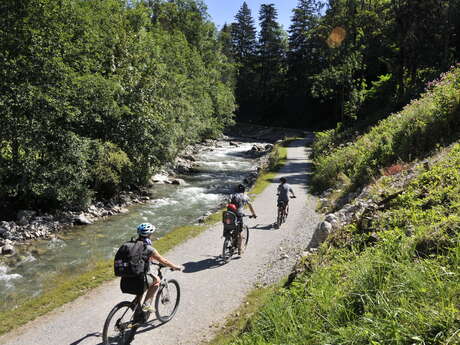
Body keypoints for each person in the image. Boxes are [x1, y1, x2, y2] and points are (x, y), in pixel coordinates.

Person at [135, 223, 181, 314]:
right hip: (139, 276)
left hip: (128, 276)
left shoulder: (132, 244)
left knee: (140, 289)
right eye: (151, 234)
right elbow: (164, 261)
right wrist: (175, 267)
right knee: (156, 281)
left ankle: (137, 308)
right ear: (149, 235)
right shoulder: (148, 248)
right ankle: (146, 305)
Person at [230, 184, 257, 254]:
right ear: (244, 190)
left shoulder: (233, 195)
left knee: (231, 228)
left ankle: (229, 239)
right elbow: (250, 205)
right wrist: (253, 214)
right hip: (239, 215)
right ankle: (240, 249)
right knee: (240, 232)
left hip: (230, 214)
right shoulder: (245, 196)